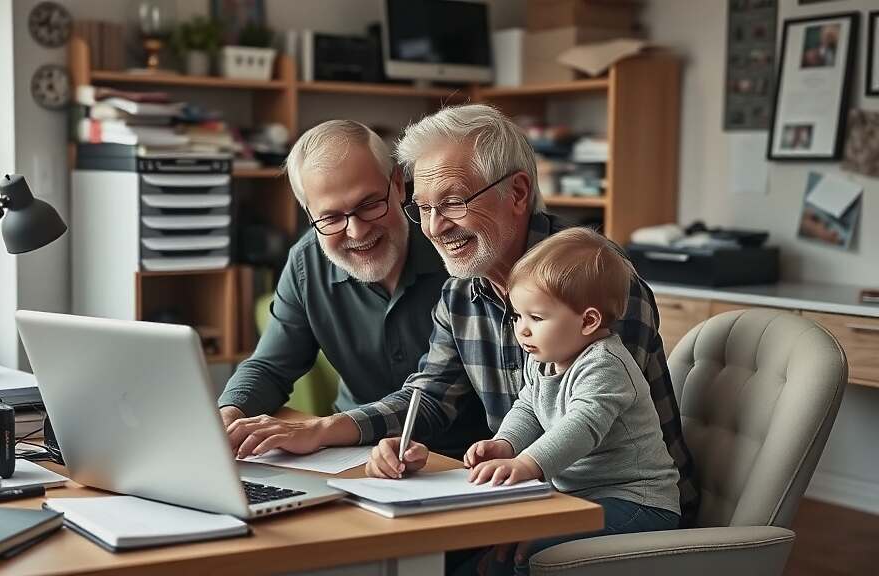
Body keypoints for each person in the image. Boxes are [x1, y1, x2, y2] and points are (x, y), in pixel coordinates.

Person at [230, 105, 699, 527]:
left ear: (518, 192)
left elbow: (586, 425)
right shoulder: (460, 290)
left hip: (620, 505)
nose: (434, 227)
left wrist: (516, 472)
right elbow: (432, 397)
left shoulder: (597, 280)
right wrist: (346, 432)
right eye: (424, 208)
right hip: (533, 497)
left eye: (453, 203)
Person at [220, 120, 489, 459]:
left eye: (369, 204)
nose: (357, 231)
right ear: (309, 215)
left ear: (398, 185)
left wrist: (321, 429)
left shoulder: (457, 248)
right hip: (352, 452)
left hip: (464, 460)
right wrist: (227, 416)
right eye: (331, 218)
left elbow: (434, 396)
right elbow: (270, 367)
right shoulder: (306, 263)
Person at [453, 227, 680, 575]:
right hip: (578, 498)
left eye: (536, 318)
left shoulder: (606, 365)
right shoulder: (543, 357)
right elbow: (528, 407)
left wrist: (527, 463)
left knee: (533, 551)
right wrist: (505, 444)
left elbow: (582, 426)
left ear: (588, 321)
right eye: (518, 316)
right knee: (492, 553)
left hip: (638, 502)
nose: (522, 329)